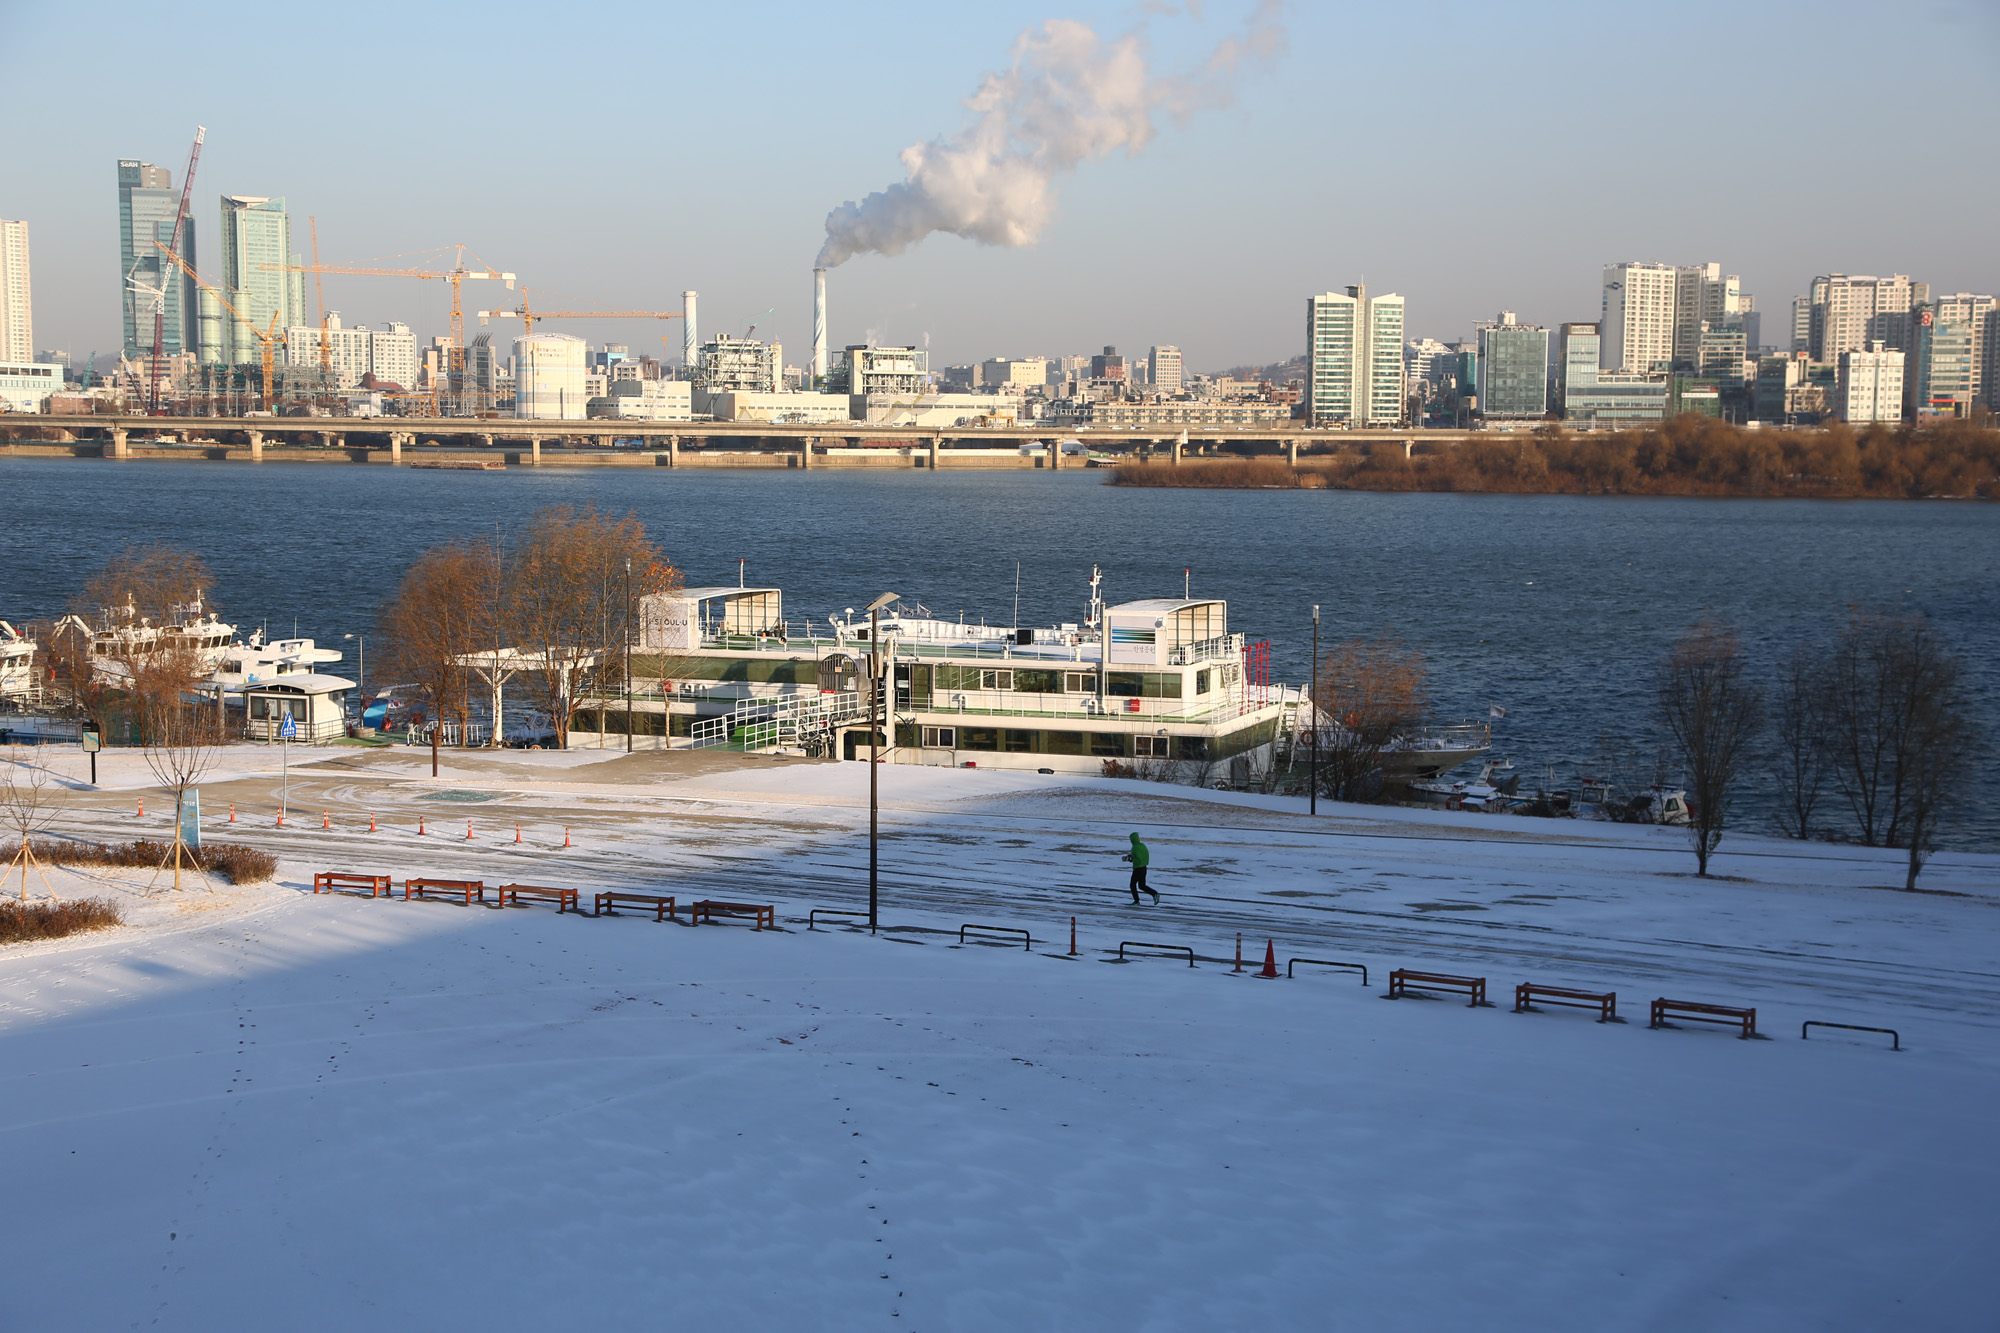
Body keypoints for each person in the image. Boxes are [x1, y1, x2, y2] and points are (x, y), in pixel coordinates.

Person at [1121, 832, 1159, 905]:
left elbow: (1138, 858)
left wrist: (1130, 859)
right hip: (1144, 868)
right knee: (1142, 886)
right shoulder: (1143, 845)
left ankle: (1136, 901)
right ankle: (1154, 894)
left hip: (1138, 869)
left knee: (1132, 885)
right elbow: (1144, 856)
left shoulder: (1135, 848)